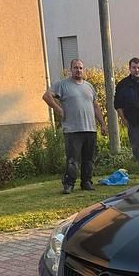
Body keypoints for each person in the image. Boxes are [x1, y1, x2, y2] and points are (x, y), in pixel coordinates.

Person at [42, 59, 107, 194]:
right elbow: (47, 96)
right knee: (72, 160)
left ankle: (86, 182)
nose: (78, 70)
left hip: (90, 129)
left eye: (81, 68)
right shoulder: (62, 85)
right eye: (76, 68)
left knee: (88, 159)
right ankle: (69, 184)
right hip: (73, 130)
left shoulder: (89, 86)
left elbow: (95, 106)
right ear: (71, 69)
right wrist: (58, 109)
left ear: (84, 70)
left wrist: (102, 124)